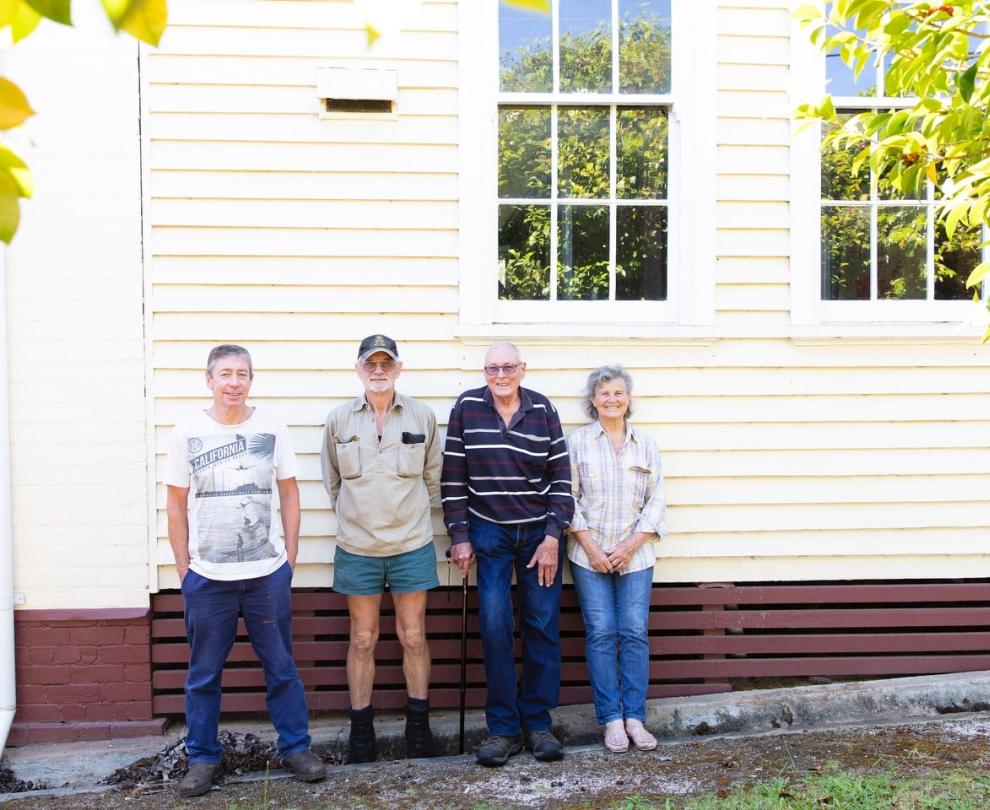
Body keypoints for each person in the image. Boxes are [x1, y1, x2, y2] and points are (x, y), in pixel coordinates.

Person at [165, 344, 325, 798]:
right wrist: (184, 567)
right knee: (203, 674)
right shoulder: (186, 432)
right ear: (209, 380)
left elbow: (290, 491)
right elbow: (175, 504)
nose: (234, 382)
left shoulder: (271, 427)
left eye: (242, 374)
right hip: (208, 577)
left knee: (281, 667)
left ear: (250, 379)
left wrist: (290, 553)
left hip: (266, 573)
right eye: (225, 374)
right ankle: (202, 758)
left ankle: (296, 748)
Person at [441, 341, 574, 767]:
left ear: (522, 369)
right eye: (492, 368)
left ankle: (537, 724)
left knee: (541, 623)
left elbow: (561, 477)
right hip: (488, 530)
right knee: (495, 624)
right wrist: (460, 535)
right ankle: (501, 729)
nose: (500, 375)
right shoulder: (466, 408)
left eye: (508, 367)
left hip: (539, 535)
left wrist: (554, 535)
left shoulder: (543, 410)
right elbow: (452, 477)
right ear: (484, 373)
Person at [321, 334, 442, 763]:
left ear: (398, 368)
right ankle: (360, 735)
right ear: (358, 369)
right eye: (369, 364)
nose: (378, 371)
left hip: (411, 544)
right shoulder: (338, 421)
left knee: (413, 636)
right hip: (357, 547)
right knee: (363, 638)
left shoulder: (422, 416)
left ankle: (418, 731)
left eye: (385, 364)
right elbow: (332, 482)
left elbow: (433, 479)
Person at [567, 365, 666, 754]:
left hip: (635, 557)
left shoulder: (646, 444)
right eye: (603, 393)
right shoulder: (577, 443)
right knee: (602, 633)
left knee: (634, 633)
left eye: (618, 393)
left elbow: (656, 501)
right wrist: (592, 548)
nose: (611, 399)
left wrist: (628, 547)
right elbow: (567, 497)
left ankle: (635, 718)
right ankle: (611, 719)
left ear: (628, 399)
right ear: (593, 400)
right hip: (588, 555)